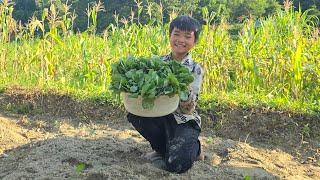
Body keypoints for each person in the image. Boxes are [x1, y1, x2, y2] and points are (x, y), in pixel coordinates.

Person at [127, 15, 204, 173]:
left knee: (178, 165)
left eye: (187, 36)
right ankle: (162, 149)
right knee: (134, 114)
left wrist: (180, 88)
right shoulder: (156, 62)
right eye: (176, 34)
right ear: (170, 36)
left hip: (183, 120)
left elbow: (188, 107)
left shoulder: (195, 69)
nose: (181, 40)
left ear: (194, 42)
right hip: (159, 115)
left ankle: (195, 149)